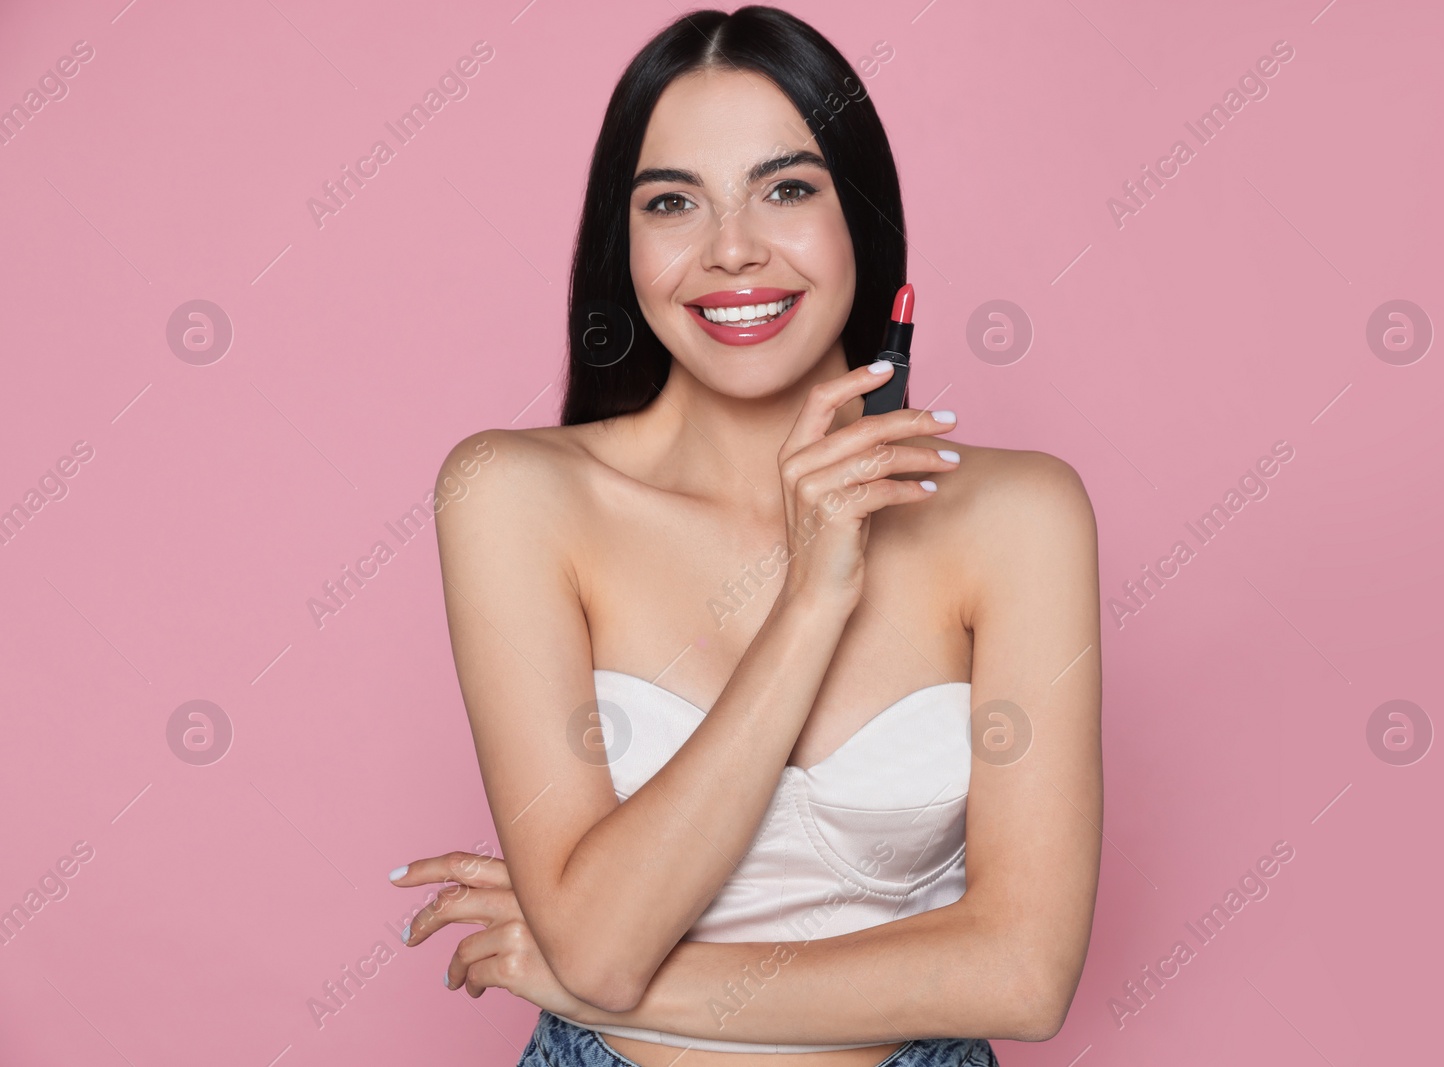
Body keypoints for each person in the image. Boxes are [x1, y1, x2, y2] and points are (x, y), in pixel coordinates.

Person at [390, 7, 1102, 1066]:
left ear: (861, 215)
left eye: (787, 188)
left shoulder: (1021, 516)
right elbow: (594, 943)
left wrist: (612, 977)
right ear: (620, 244)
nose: (731, 249)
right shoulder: (515, 494)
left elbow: (1022, 975)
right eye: (672, 201)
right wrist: (813, 595)